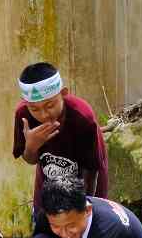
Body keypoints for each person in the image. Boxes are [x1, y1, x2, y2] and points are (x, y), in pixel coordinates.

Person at [12, 62, 108, 220]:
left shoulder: (82, 117)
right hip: (49, 189)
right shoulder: (23, 115)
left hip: (86, 189)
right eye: (34, 109)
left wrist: (81, 207)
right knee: (44, 235)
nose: (43, 115)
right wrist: (31, 147)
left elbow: (91, 170)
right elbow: (30, 159)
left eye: (49, 106)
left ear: (63, 93)